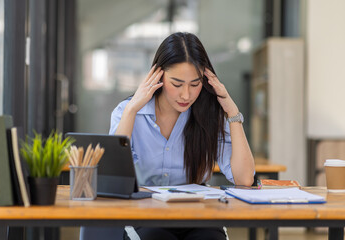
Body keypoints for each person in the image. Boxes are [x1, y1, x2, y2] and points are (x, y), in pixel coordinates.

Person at [109, 32, 255, 240]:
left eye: (194, 85)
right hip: (145, 215)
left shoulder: (210, 114)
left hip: (198, 215)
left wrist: (232, 112)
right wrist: (132, 110)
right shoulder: (127, 111)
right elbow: (113, 177)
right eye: (177, 84)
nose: (186, 95)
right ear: (158, 76)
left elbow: (244, 178)